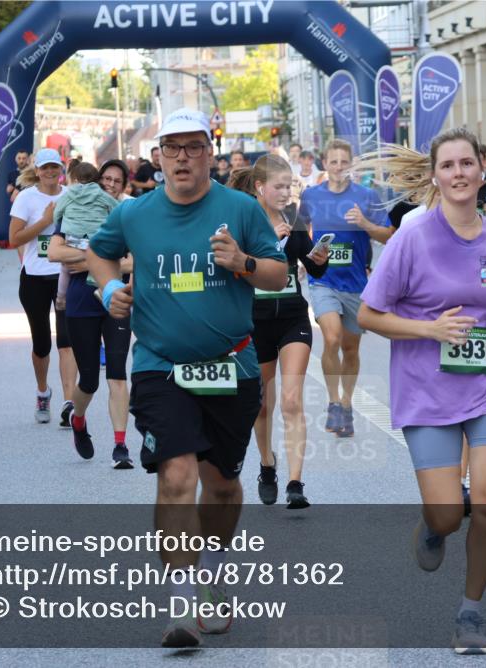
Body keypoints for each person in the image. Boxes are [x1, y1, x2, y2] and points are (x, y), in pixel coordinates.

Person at [85, 108, 287, 647]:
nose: (181, 157)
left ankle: (214, 573)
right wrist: (109, 292)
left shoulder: (241, 209)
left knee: (220, 484)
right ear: (158, 156)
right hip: (160, 365)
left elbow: (278, 274)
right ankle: (179, 603)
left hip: (232, 364)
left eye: (193, 147)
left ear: (209, 153)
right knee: (175, 475)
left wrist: (242, 261)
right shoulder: (135, 214)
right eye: (171, 147)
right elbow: (97, 256)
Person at [357, 127, 486, 655]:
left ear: (481, 171)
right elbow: (370, 314)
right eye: (448, 165)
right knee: (445, 513)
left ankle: (470, 613)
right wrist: (429, 330)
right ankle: (436, 524)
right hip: (426, 386)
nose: (459, 173)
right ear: (435, 176)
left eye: (467, 163)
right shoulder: (413, 237)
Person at [228, 154, 329, 509]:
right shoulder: (242, 221)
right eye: (280, 187)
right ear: (260, 187)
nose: (287, 193)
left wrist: (319, 259)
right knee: (261, 405)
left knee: (291, 400)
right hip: (254, 321)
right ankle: (268, 466)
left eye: (290, 186)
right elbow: (230, 267)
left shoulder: (294, 219)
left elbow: (311, 268)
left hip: (292, 318)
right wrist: (269, 241)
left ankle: (295, 483)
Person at [302, 138, 393, 438]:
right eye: (333, 162)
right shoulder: (312, 195)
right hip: (323, 279)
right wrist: (306, 257)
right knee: (331, 337)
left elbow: (388, 237)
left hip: (355, 283)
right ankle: (332, 402)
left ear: (350, 165)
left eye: (344, 162)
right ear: (324, 164)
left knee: (350, 348)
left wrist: (365, 223)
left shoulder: (366, 196)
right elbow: (299, 233)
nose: (339, 167)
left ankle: (347, 403)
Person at [47, 161, 132, 468]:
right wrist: (99, 259)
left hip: (116, 300)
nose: (110, 184)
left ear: (123, 186)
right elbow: (55, 253)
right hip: (81, 301)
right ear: (97, 181)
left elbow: (134, 262)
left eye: (116, 180)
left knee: (118, 374)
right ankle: (79, 419)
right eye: (105, 178)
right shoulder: (78, 211)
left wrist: (86, 261)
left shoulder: (126, 216)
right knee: (89, 381)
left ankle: (120, 446)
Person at [8, 148, 77, 426]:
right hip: (35, 277)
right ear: (37, 170)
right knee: (42, 343)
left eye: (55, 167)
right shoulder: (26, 198)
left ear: (61, 170)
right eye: (45, 167)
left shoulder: (71, 196)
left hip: (66, 275)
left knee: (66, 342)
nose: (50, 172)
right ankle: (42, 392)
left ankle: (69, 404)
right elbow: (14, 239)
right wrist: (45, 222)